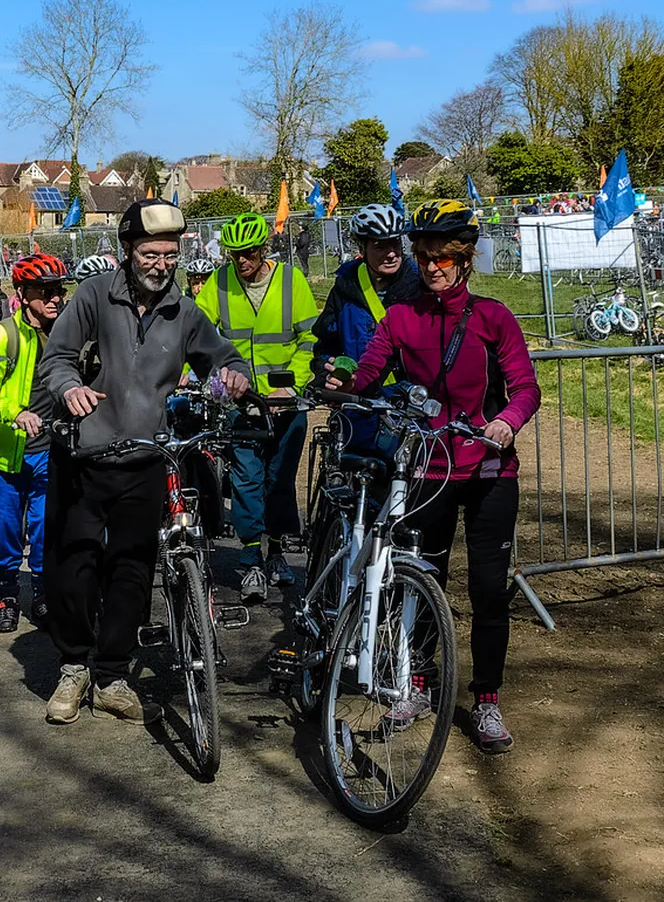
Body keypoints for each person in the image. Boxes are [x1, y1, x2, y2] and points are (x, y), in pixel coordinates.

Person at [326, 198, 542, 755]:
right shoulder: (401, 318)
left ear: (465, 260)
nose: (433, 268)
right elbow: (369, 372)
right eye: (425, 258)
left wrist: (505, 421)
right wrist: (341, 380)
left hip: (489, 470)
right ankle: (418, 685)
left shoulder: (495, 317)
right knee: (424, 584)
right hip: (428, 469)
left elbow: (525, 387)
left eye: (444, 258)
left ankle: (487, 699)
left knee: (489, 590)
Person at [38, 198, 251, 726]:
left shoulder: (184, 311)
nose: (161, 263)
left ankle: (111, 674)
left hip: (145, 459)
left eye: (170, 254)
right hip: (84, 457)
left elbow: (222, 357)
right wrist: (69, 391)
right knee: (75, 568)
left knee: (132, 572)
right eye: (150, 253)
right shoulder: (92, 295)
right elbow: (57, 358)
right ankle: (72, 668)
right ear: (128, 251)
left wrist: (236, 376)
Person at [194, 212, 317, 601]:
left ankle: (277, 551)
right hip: (241, 402)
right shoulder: (220, 281)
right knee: (246, 479)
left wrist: (292, 384)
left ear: (264, 249)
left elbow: (311, 338)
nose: (241, 262)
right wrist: (186, 370)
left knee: (278, 480)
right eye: (234, 255)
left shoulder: (290, 280)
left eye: (248, 253)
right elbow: (193, 331)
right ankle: (250, 561)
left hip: (285, 402)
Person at [0, 254, 69, 633]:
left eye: (59, 290)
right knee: (7, 533)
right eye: (45, 291)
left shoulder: (69, 333)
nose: (55, 298)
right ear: (23, 294)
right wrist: (14, 413)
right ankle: (7, 597)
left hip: (51, 452)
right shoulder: (2, 336)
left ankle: (42, 596)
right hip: (5, 455)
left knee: (45, 530)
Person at [313, 204, 421, 454]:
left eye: (395, 243)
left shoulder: (419, 286)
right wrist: (325, 376)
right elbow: (324, 345)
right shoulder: (345, 287)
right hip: (356, 405)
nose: (391, 253)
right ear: (362, 248)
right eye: (379, 246)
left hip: (409, 407)